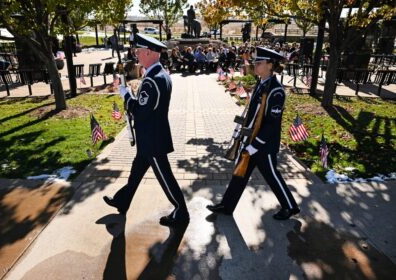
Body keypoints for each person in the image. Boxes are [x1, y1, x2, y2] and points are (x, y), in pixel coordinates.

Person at [103, 33, 189, 227]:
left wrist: (126, 96)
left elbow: (141, 113)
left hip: (153, 139)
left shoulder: (152, 80)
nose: (137, 55)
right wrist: (133, 96)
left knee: (166, 178)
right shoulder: (160, 75)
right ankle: (122, 201)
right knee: (135, 173)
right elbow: (148, 107)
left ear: (149, 52)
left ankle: (181, 212)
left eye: (139, 51)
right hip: (149, 137)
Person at [207, 47, 300, 220]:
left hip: (264, 145)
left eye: (259, 63)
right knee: (239, 173)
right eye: (256, 62)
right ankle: (227, 205)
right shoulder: (261, 83)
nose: (255, 65)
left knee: (272, 176)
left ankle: (290, 206)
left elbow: (272, 124)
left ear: (270, 65)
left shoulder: (275, 90)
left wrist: (255, 145)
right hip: (251, 140)